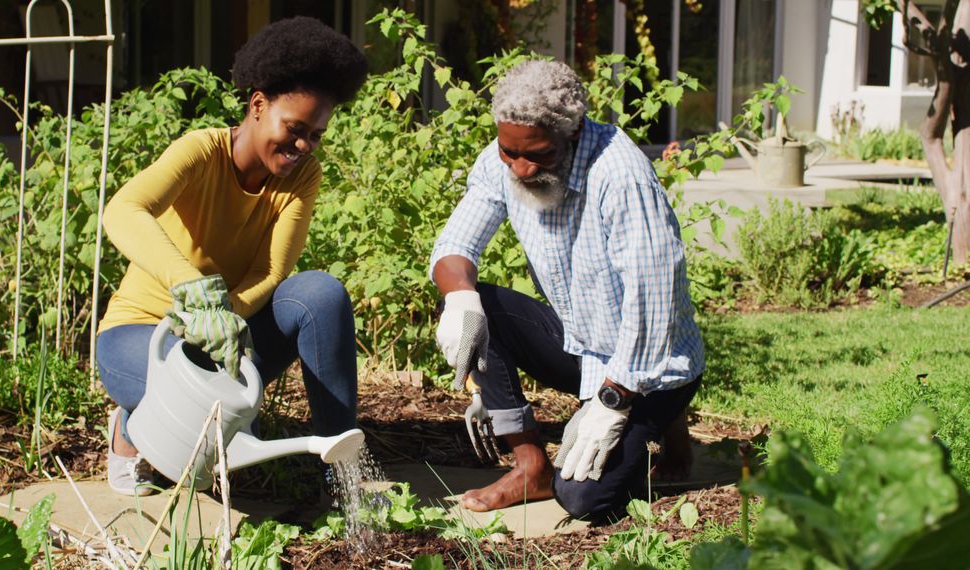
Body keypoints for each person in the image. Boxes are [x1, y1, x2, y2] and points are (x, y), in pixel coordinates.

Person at [96, 17, 368, 496]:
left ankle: (343, 470)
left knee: (320, 294)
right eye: (295, 128)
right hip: (144, 333)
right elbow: (123, 209)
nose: (303, 146)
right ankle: (128, 428)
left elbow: (271, 272)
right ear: (258, 105)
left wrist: (224, 315)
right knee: (210, 422)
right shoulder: (201, 153)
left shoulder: (302, 178)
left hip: (228, 338)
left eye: (316, 135)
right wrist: (192, 290)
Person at [430, 60, 704, 521]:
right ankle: (529, 466)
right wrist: (459, 298)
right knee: (478, 306)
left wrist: (613, 403)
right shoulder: (507, 156)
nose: (520, 168)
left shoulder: (620, 175)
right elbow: (456, 245)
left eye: (538, 155)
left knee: (584, 501)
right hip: (582, 342)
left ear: (572, 135)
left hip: (652, 363)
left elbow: (653, 306)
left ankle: (663, 414)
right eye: (508, 152)